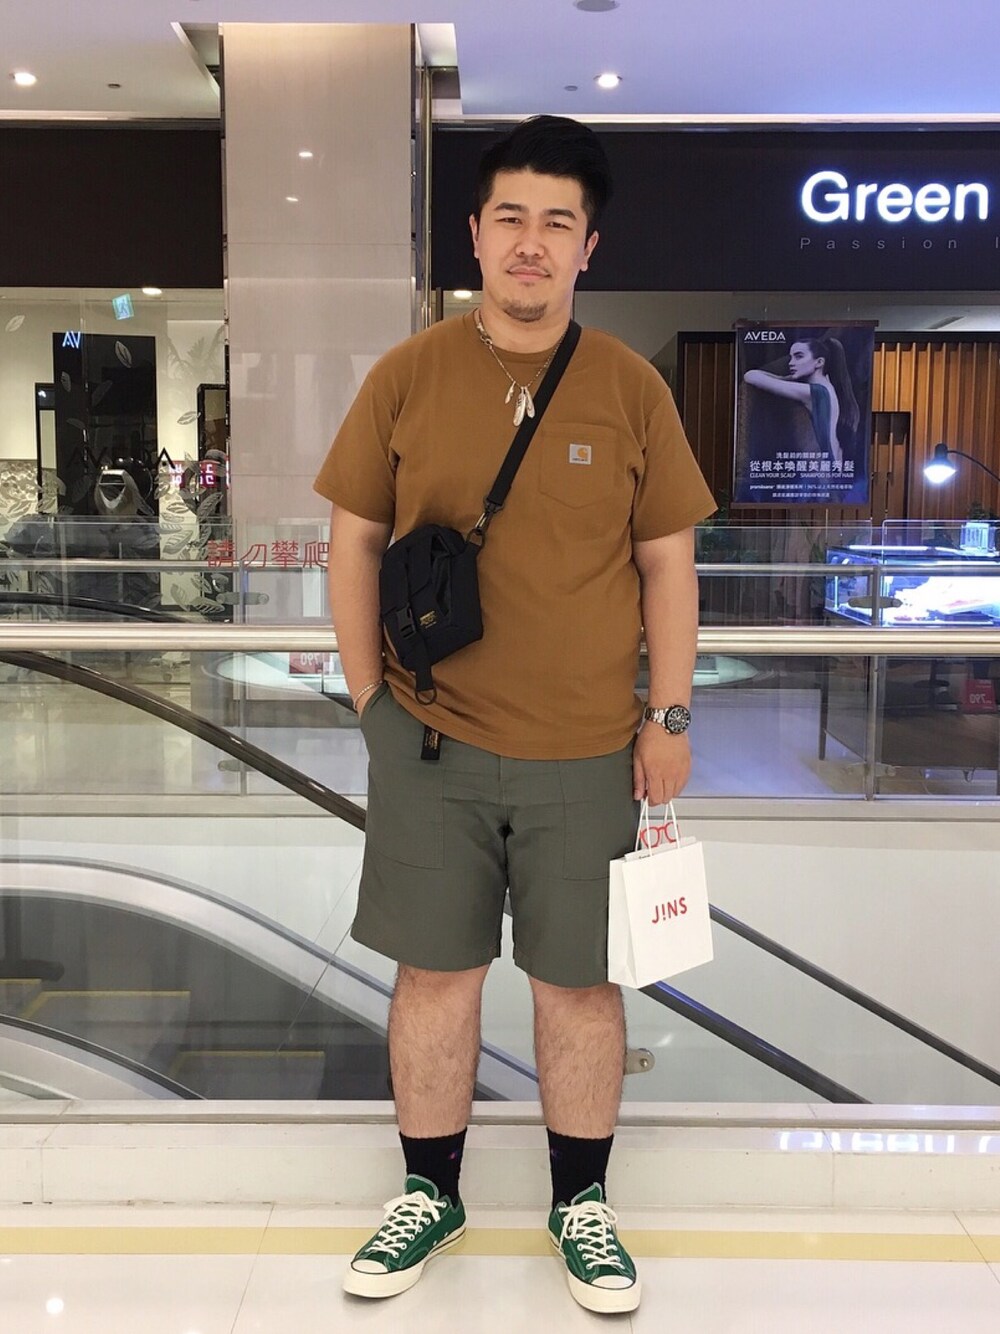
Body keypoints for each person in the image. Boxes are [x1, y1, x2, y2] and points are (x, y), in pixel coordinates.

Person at [315, 114, 715, 1316]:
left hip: (590, 755)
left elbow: (668, 564)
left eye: (556, 222)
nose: (530, 242)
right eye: (509, 219)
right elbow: (352, 542)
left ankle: (579, 1203)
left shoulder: (630, 388)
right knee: (433, 977)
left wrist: (669, 716)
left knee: (577, 987)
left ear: (588, 246)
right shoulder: (407, 374)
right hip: (430, 743)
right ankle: (427, 1191)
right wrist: (371, 702)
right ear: (476, 235)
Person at [743, 336, 860, 469]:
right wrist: (785, 378)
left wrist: (783, 378)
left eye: (799, 356)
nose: (791, 363)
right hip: (830, 466)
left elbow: (751, 376)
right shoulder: (825, 385)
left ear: (819, 362)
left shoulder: (814, 392)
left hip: (825, 470)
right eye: (791, 357)